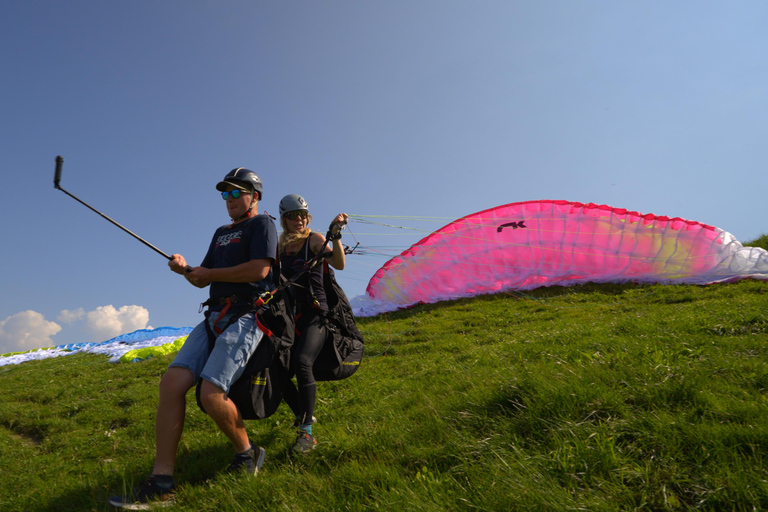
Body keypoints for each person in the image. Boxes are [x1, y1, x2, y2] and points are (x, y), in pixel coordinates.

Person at [110, 168, 278, 509]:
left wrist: (209, 274)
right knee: (171, 383)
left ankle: (247, 454)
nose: (229, 200)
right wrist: (185, 269)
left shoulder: (263, 226)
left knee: (210, 393)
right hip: (213, 315)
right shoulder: (220, 233)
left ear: (254, 196)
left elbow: (259, 270)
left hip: (247, 315)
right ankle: (161, 481)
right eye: (225, 194)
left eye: (236, 193)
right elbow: (202, 280)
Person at [277, 194, 347, 454]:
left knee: (303, 362)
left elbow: (338, 264)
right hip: (287, 316)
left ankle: (306, 432)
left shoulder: (316, 239)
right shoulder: (279, 248)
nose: (299, 219)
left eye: (303, 215)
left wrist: (336, 235)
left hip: (315, 314)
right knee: (278, 369)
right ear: (284, 219)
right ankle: (301, 414)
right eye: (293, 216)